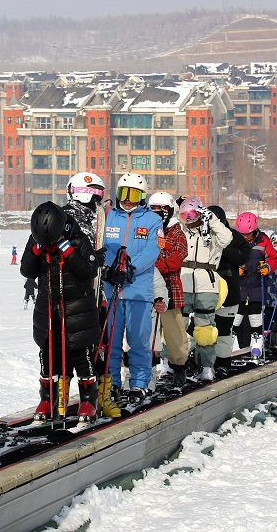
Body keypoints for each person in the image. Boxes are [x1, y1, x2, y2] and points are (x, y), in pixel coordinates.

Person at [20, 202, 100, 422]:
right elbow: (26, 270)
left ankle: (87, 400)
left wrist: (70, 253)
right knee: (48, 355)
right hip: (48, 309)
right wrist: (36, 250)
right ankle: (48, 398)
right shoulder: (36, 239)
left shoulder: (78, 239)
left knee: (80, 355)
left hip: (77, 310)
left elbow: (89, 272)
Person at [101, 173, 162, 409]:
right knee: (112, 341)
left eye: (133, 195)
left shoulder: (152, 220)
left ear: (142, 197)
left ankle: (138, 382)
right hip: (113, 289)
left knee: (137, 340)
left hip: (138, 290)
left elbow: (153, 249)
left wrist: (130, 268)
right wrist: (111, 267)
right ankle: (113, 382)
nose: (127, 200)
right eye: (123, 194)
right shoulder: (109, 216)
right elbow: (103, 244)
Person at [62, 171, 117, 417]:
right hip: (71, 296)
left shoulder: (103, 218)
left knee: (101, 347)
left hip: (98, 295)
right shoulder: (63, 218)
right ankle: (59, 401)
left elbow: (105, 252)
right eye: (85, 193)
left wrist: (111, 270)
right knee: (69, 349)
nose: (90, 199)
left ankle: (101, 398)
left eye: (95, 194)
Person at [178, 197, 232, 381]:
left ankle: (207, 366)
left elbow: (227, 238)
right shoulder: (181, 231)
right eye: (185, 215)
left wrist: (212, 220)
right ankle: (175, 364)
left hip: (206, 285)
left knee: (205, 329)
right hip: (183, 283)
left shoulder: (212, 233)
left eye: (192, 214)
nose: (189, 219)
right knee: (177, 326)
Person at [148, 192, 187, 389]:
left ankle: (179, 368)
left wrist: (153, 264)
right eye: (153, 210)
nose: (157, 214)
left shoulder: (177, 232)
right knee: (150, 333)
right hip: (150, 289)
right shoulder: (148, 230)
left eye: (160, 210)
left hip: (170, 288)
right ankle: (150, 369)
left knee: (174, 333)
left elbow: (175, 260)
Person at [208, 205, 248, 376]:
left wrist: (221, 246)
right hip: (205, 290)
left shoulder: (235, 237)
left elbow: (242, 257)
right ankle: (200, 362)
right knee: (201, 330)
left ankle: (223, 362)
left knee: (224, 331)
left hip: (229, 291)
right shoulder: (200, 236)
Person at [234, 212, 277, 357]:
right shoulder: (234, 240)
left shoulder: (263, 240)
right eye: (242, 234)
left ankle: (257, 346)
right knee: (236, 317)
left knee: (255, 317)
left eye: (247, 235)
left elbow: (273, 258)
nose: (245, 237)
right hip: (239, 287)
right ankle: (229, 346)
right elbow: (227, 257)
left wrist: (268, 267)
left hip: (257, 286)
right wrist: (236, 269)